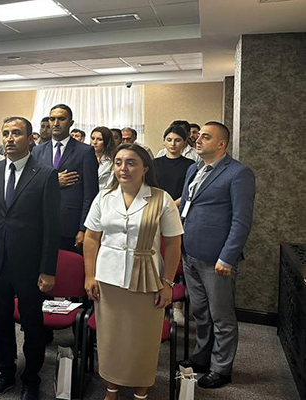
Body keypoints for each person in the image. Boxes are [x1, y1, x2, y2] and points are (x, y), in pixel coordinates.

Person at [83, 143, 184, 400]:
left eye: (131, 162)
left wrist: (168, 283)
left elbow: (173, 244)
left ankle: (141, 392)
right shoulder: (104, 197)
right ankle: (112, 389)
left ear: (145, 168)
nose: (123, 168)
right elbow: (91, 238)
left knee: (143, 339)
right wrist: (89, 275)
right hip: (108, 279)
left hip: (147, 279)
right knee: (111, 338)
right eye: (118, 162)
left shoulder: (161, 199)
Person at [0, 116, 60, 400]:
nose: (10, 138)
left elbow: (51, 227)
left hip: (29, 265)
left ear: (30, 138)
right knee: (0, 322)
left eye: (16, 133)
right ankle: (5, 373)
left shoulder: (45, 174)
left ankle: (31, 378)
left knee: (32, 325)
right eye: (6, 133)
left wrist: (48, 269)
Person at [178, 122, 255, 389]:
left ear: (221, 144)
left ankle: (221, 368)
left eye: (205, 137)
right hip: (189, 252)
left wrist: (228, 257)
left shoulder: (238, 173)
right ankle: (202, 357)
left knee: (221, 316)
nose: (198, 140)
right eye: (198, 136)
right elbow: (187, 205)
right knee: (200, 312)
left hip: (216, 258)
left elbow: (241, 220)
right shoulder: (194, 168)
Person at [32, 104, 98, 253]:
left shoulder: (85, 151)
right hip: (41, 222)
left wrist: (84, 228)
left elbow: (90, 194)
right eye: (52, 119)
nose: (55, 123)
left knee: (68, 265)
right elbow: (32, 186)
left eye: (61, 119)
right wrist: (53, 182)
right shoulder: (37, 151)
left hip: (70, 226)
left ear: (71, 123)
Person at [153, 125, 195, 206]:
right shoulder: (154, 163)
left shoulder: (190, 164)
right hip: (157, 205)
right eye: (169, 140)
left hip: (180, 207)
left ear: (184, 143)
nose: (173, 144)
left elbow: (190, 191)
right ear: (163, 142)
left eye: (177, 140)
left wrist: (171, 206)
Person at [90, 126, 116, 192]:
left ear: (106, 141)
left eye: (99, 139)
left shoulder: (112, 160)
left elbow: (111, 185)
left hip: (105, 194)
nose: (94, 142)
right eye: (93, 138)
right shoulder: (85, 157)